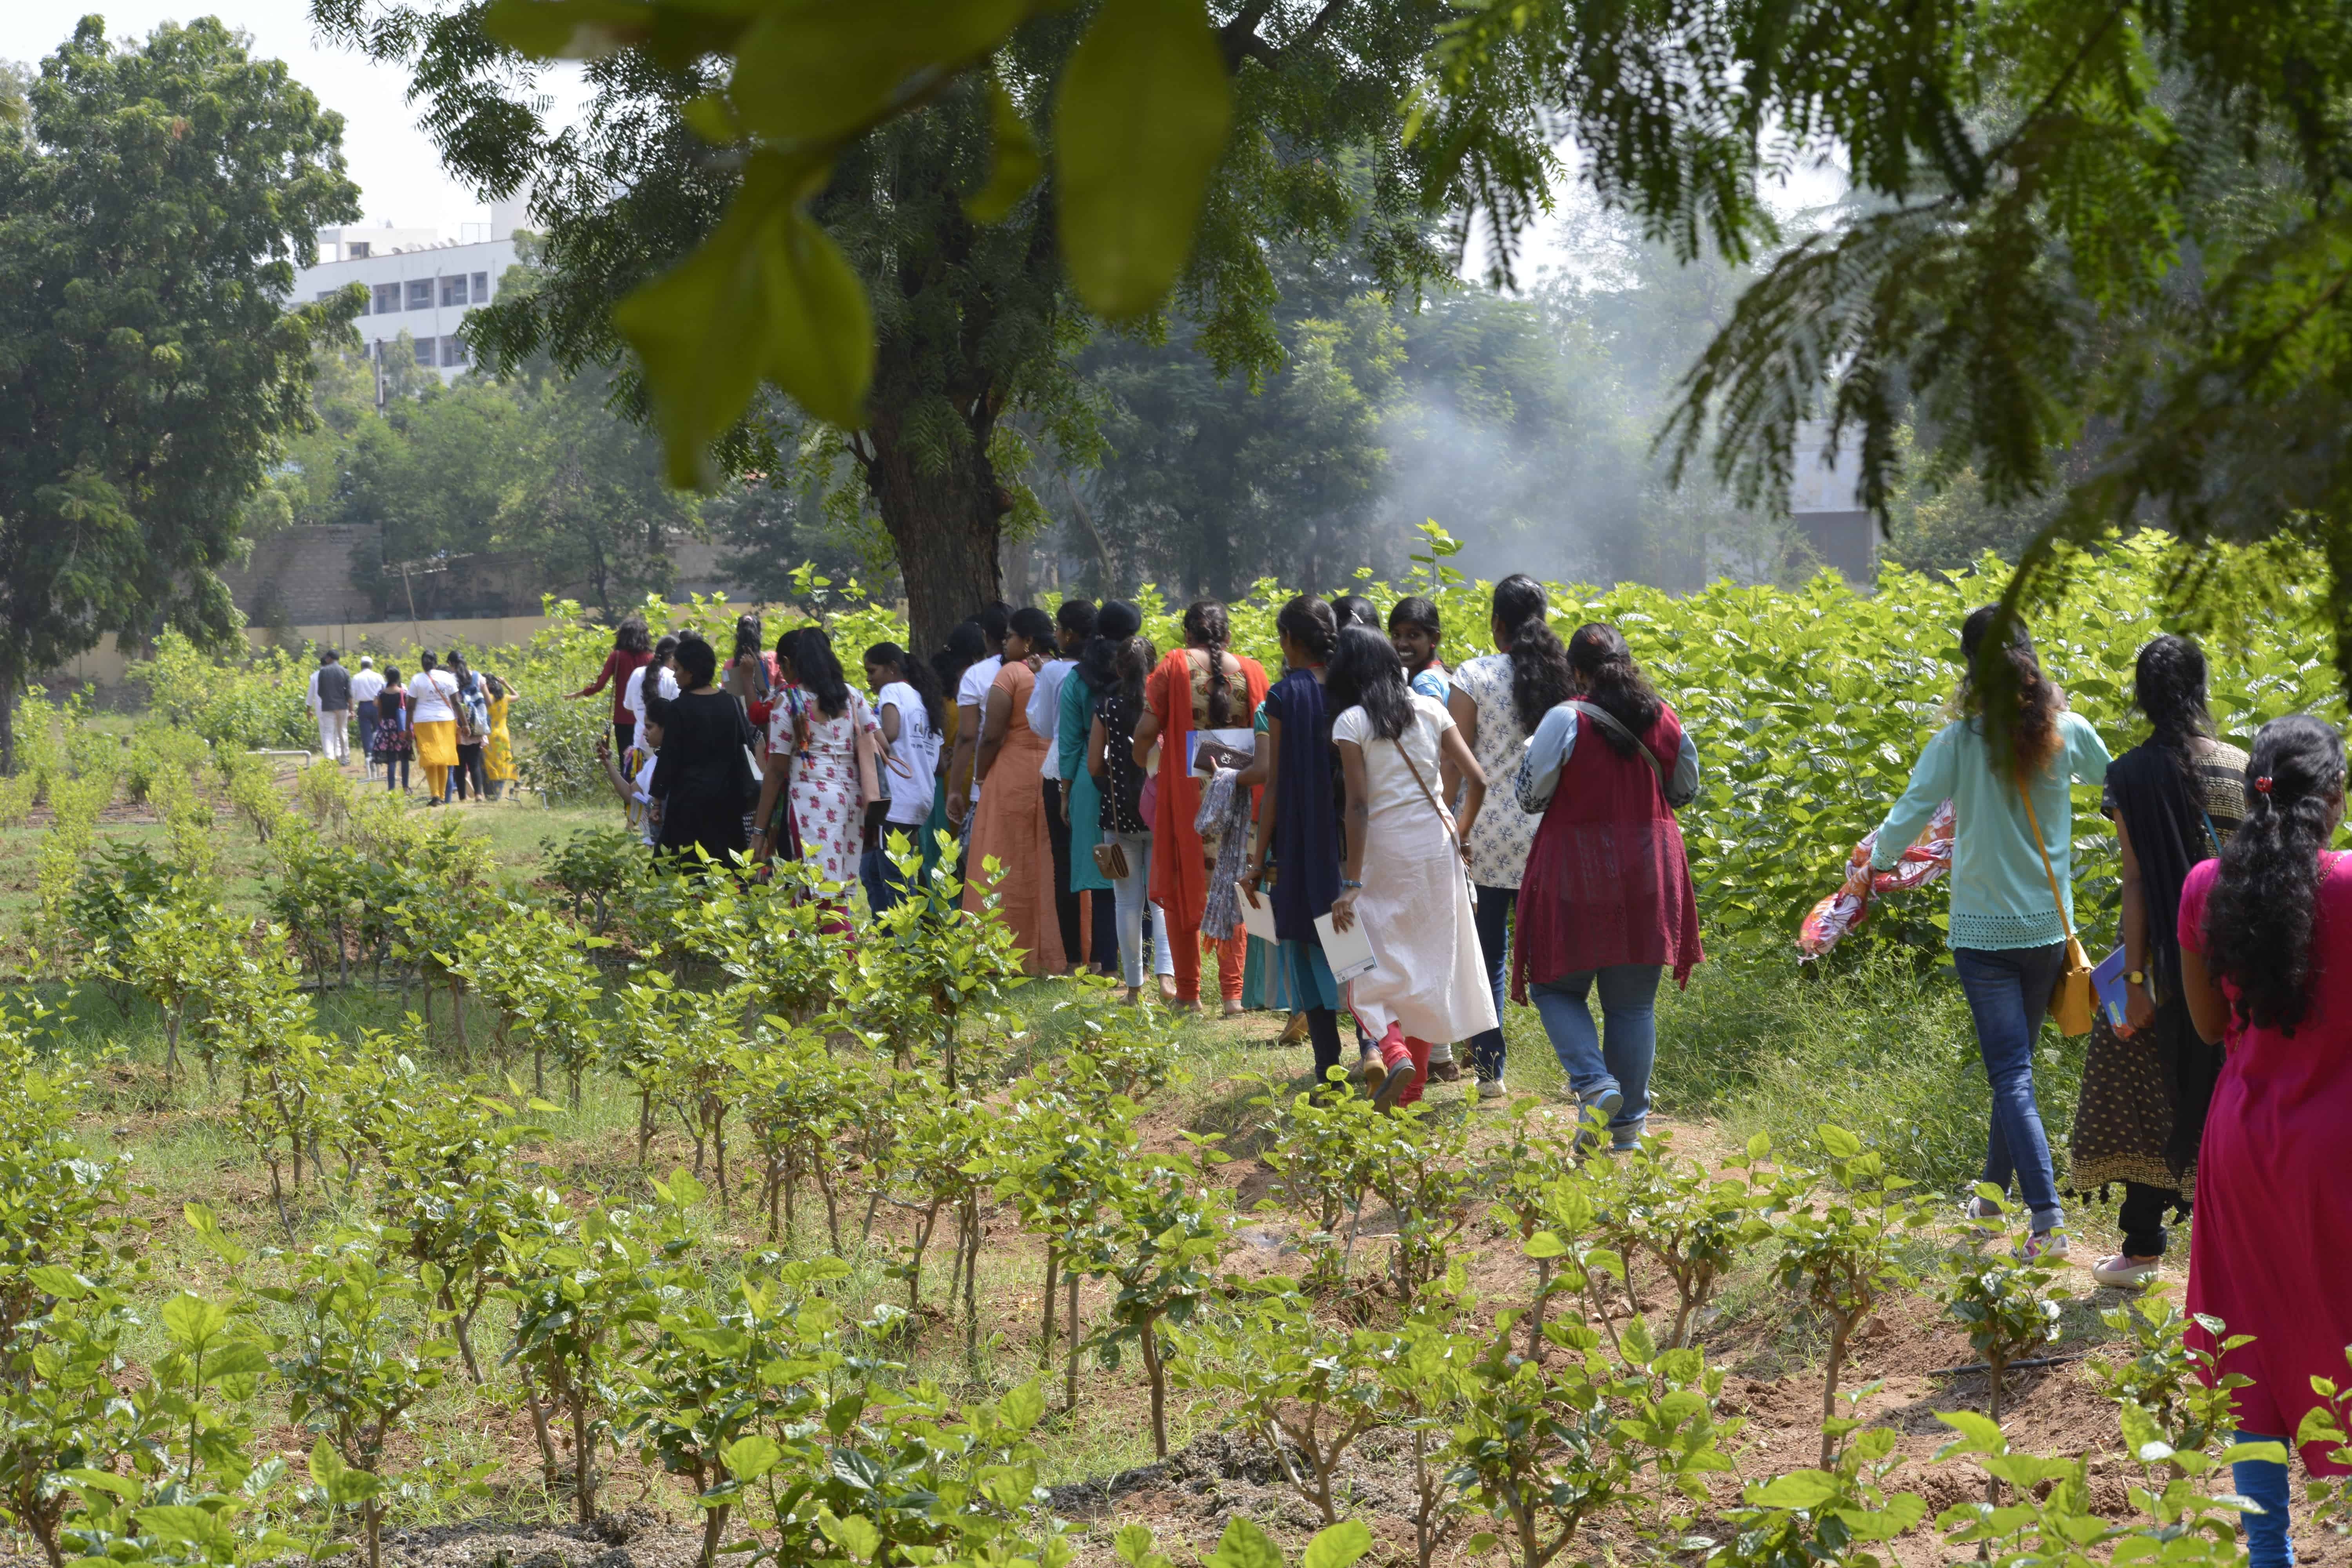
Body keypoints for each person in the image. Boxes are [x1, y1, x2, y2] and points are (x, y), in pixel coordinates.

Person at [1867, 607, 2110, 1252]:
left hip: (1983, 936)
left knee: (2011, 1076)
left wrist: (1875, 865)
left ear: (1971, 671)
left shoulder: (1957, 743)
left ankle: (2048, 1220)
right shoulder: (2070, 732)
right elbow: (2113, 782)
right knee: (2015, 1071)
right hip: (2047, 932)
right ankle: (1990, 1201)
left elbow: (1909, 813)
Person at [2177, 715, 2352, 1568]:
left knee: (2247, 1342)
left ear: (2252, 791)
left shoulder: (2207, 886)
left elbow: (2209, 1025)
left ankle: (2269, 1552)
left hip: (2243, 1144)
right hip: (2340, 1147)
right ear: (2335, 799)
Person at [2067, 635, 2244, 1288]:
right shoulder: (2239, 766)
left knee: (2143, 1098)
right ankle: (2239, 1254)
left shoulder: (2128, 774)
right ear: (2200, 690)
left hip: (2163, 966)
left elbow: (2138, 880)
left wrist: (2138, 980)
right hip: (2232, 962)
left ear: (2142, 696)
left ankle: (2142, 1252)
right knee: (2230, 1097)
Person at [1513, 623, 1703, 1149]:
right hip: (1650, 869)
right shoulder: (1663, 716)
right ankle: (1627, 1131)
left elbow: (1530, 797)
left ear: (1575, 671)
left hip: (1575, 868)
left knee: (1555, 986)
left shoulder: (1565, 718)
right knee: (1632, 1005)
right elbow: (1685, 791)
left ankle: (1594, 1084)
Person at [1325, 626, 1493, 1106]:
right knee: (1428, 967)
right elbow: (1477, 780)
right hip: (1436, 850)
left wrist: (1352, 882)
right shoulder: (1432, 709)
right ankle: (1410, 1095)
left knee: (1358, 957)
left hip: (1383, 851)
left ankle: (1393, 1049)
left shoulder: (1351, 722)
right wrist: (1461, 834)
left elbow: (1358, 805)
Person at [1446, 575, 1568, 1100]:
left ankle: (1490, 1071)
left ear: (1497, 623)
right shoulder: (1565, 677)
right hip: (1548, 832)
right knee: (1558, 957)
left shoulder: (1473, 674)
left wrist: (1447, 821)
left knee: (1488, 953)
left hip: (1484, 833)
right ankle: (1581, 1071)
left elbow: (1455, 760)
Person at [1133, 601, 1270, 1013]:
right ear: (1228, 635)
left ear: (1187, 633)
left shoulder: (1174, 667)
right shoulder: (1253, 671)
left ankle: (1189, 995)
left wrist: (1144, 761)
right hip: (1240, 797)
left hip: (1189, 801)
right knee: (1237, 886)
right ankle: (1233, 995)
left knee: (1182, 887)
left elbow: (1146, 731)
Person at [1240, 597, 1352, 1084]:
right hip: (1354, 836)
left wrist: (1257, 857)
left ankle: (1329, 1067)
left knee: (1307, 945)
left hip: (1303, 839)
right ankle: (1375, 1049)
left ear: (1289, 640)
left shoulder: (1284, 696)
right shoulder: (1354, 688)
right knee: (1350, 945)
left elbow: (1275, 785)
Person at [966, 607, 1067, 974]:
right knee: (1053, 859)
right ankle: (1064, 951)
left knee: (1004, 857)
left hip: (1012, 773)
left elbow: (991, 735)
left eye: (1010, 636)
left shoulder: (1011, 673)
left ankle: (1001, 950)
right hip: (1056, 769)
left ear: (1027, 642)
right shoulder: (1064, 672)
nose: (1005, 642)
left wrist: (980, 776)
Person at [753, 628, 880, 902]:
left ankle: (841, 934)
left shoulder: (789, 701)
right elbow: (881, 743)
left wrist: (759, 832)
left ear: (790, 663)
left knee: (819, 894)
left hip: (811, 804)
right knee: (834, 890)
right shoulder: (853, 696)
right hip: (853, 801)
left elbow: (776, 771)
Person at [1092, 630, 1162, 1003]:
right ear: (1155, 667)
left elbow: (1094, 765)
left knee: (1127, 903)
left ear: (1119, 669)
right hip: (1161, 815)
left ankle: (1134, 988)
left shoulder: (1107, 708)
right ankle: (1168, 979)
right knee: (1161, 901)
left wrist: (1115, 778)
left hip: (1119, 817)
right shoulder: (1162, 707)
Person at [1060, 601, 1130, 975]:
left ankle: (1107, 963)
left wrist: (1065, 793)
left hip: (1092, 776)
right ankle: (1145, 962)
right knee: (1138, 869)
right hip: (1137, 771)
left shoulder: (1078, 677)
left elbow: (1070, 742)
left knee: (1104, 870)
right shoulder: (1143, 670)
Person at [651, 631, 758, 867]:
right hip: (728, 801)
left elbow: (669, 759)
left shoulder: (679, 709)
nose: (675, 675)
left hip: (688, 803)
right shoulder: (731, 703)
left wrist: (657, 802)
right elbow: (746, 746)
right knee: (727, 868)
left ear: (691, 672)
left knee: (683, 867)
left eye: (678, 669)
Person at [1033, 599, 1097, 971]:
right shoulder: (1108, 664)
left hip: (1062, 768)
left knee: (1066, 863)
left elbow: (1042, 725)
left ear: (1069, 634)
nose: (1055, 634)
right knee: (1113, 860)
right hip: (1105, 767)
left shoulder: (1055, 672)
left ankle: (1074, 958)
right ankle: (1109, 955)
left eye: (1058, 628)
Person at [862, 642, 947, 913]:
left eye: (872, 671)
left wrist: (864, 731)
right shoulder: (923, 699)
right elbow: (940, 765)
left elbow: (890, 734)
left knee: (895, 878)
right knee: (876, 870)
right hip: (921, 798)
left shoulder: (892, 690)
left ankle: (903, 935)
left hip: (895, 800)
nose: (869, 679)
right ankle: (889, 933)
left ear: (892, 668)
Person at [946, 604, 1011, 831]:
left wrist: (954, 789)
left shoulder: (977, 674)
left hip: (988, 778)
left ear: (985, 635)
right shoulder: (1039, 669)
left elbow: (967, 735)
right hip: (1033, 775)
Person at [575, 613, 655, 752]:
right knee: (647, 759)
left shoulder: (617, 656)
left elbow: (600, 685)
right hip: (647, 719)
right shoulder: (652, 658)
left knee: (626, 759)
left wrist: (581, 693)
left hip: (623, 718)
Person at [598, 696, 668, 847]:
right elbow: (631, 794)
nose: (645, 733)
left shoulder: (678, 765)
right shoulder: (653, 762)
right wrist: (608, 764)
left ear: (666, 728)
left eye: (650, 727)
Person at [408, 652, 462, 805]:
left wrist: (407, 728)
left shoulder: (417, 679)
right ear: (436, 662)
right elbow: (456, 703)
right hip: (446, 721)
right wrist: (465, 725)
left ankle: (435, 796)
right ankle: (442, 797)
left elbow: (410, 707)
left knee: (430, 759)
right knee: (443, 759)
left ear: (422, 663)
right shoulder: (447, 677)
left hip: (423, 722)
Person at [445, 651, 490, 802]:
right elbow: (489, 702)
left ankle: (463, 797)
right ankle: (478, 795)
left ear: (451, 664)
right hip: (475, 725)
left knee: (459, 763)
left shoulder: (450, 679)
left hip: (457, 725)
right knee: (475, 762)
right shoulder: (478, 677)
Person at [626, 635, 681, 750]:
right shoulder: (674, 678)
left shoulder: (637, 673)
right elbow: (676, 715)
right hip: (664, 747)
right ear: (672, 657)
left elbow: (629, 708)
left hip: (639, 748)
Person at [309, 649, 352, 764]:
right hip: (342, 706)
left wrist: (327, 699)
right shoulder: (345, 671)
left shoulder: (323, 672)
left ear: (330, 658)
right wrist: (351, 709)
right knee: (342, 732)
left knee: (328, 732)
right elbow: (349, 693)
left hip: (328, 706)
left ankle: (330, 758)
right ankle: (345, 758)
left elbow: (320, 691)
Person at [372, 666, 412, 793]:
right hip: (401, 728)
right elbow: (408, 711)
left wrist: (383, 726)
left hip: (387, 728)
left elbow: (379, 714)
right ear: (398, 678)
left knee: (392, 760)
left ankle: (391, 790)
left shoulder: (382, 694)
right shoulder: (403, 693)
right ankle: (406, 787)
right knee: (404, 758)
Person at [483, 673, 519, 800]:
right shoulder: (505, 698)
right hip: (504, 735)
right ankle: (497, 793)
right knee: (503, 763)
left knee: (489, 764)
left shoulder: (487, 699)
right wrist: (506, 684)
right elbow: (518, 696)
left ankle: (492, 794)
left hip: (490, 735)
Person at [350, 655, 386, 778]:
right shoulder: (378, 677)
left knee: (366, 733)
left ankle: (369, 756)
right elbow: (383, 691)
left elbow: (353, 695)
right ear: (371, 665)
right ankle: (379, 755)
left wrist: (352, 709)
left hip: (363, 707)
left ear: (361, 666)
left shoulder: (356, 677)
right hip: (377, 706)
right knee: (378, 731)